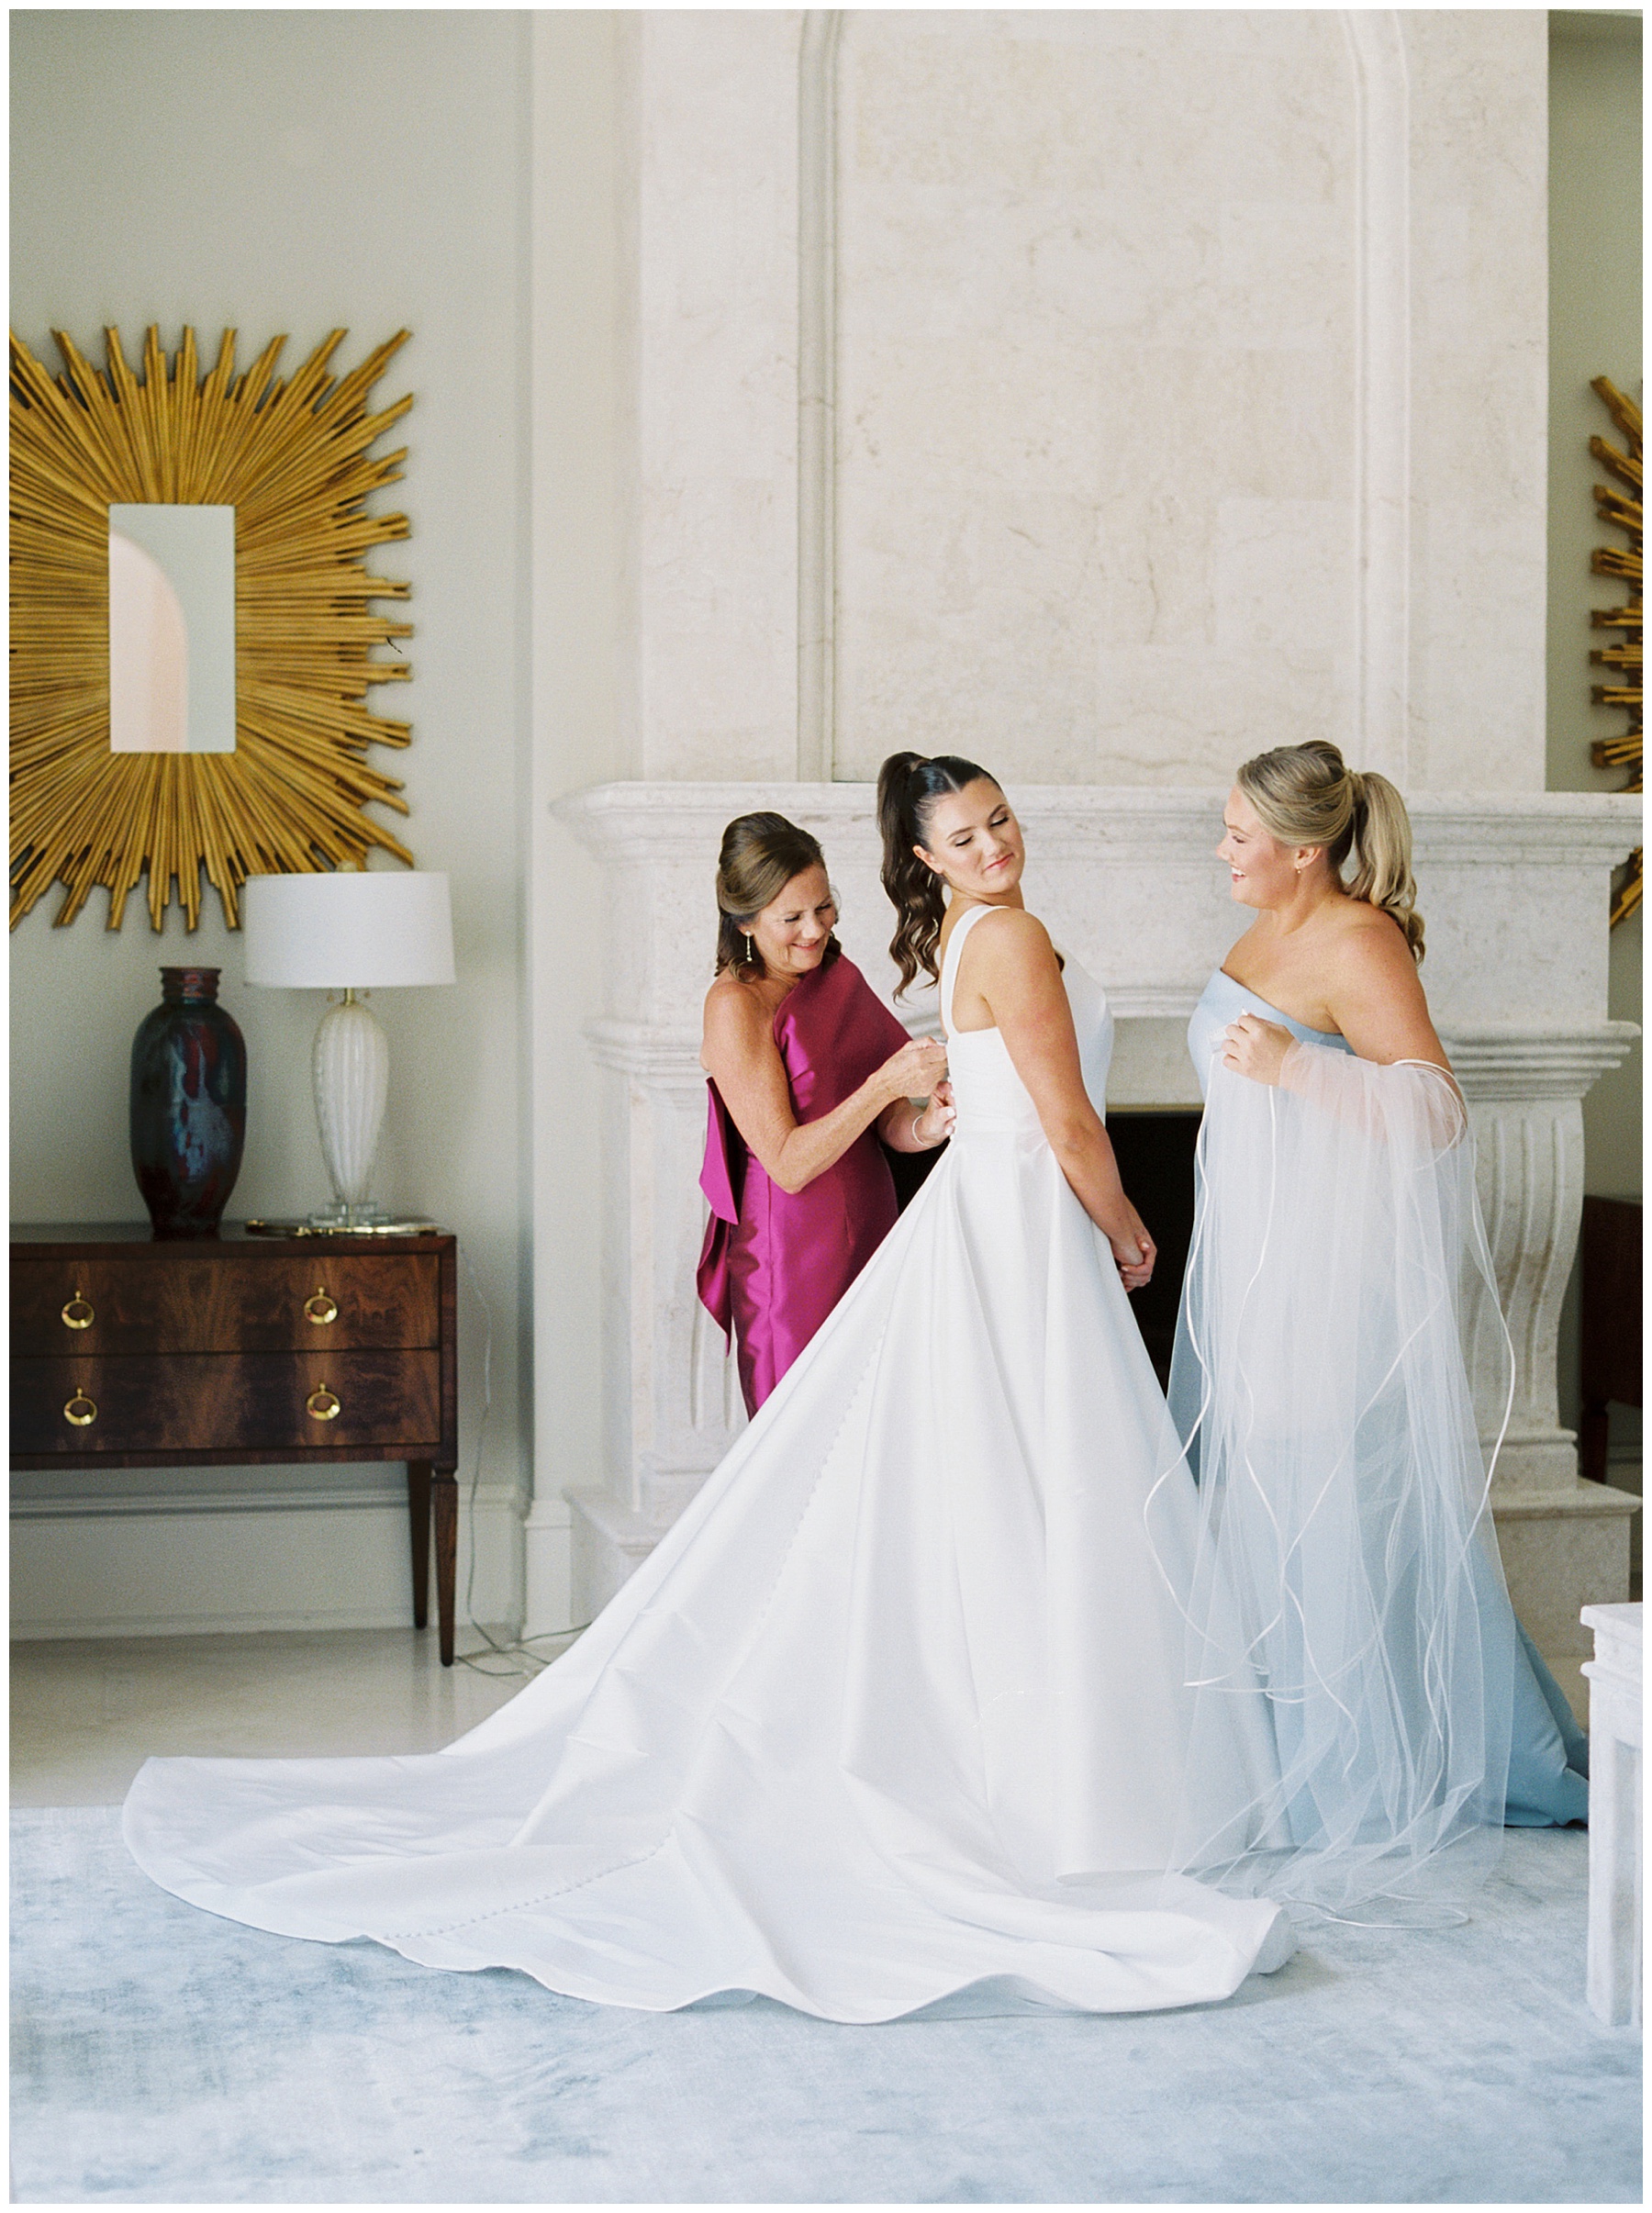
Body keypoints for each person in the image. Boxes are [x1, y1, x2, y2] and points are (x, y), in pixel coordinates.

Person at [120, 753, 1291, 2022]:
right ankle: (984, 1759)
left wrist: (933, 1113)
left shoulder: (924, 950)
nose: (994, 842)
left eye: (1002, 818)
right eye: (965, 832)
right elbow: (1002, 1128)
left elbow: (949, 1100)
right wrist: (1110, 1214)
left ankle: (996, 1753)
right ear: (916, 860)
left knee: (968, 1481)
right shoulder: (915, 959)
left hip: (950, 1205)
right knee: (943, 1483)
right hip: (866, 1237)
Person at [1155, 739, 1588, 1918]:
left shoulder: (1359, 940)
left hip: (1329, 1280)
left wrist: (1295, 1064)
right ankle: (1283, 1756)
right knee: (1272, 1499)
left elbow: (1438, 1111)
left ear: (1303, 849)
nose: (1222, 850)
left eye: (1238, 835)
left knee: (1341, 1506)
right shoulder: (1258, 933)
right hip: (1256, 1260)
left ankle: (1366, 1768)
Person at [698, 811, 953, 1416]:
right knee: (806, 1432)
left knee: (879, 1423)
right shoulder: (735, 1005)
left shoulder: (838, 977)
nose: (815, 929)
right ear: (744, 922)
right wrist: (881, 1084)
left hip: (871, 1229)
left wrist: (928, 1123)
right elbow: (786, 1163)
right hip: (789, 1257)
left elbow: (890, 1123)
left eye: (824, 906)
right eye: (792, 918)